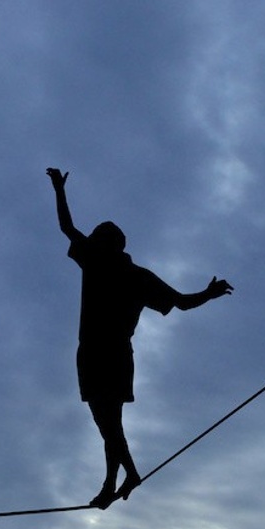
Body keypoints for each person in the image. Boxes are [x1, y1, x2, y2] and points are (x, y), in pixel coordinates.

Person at [47, 167, 233, 509]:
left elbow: (67, 228)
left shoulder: (114, 268)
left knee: (108, 423)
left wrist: (59, 189)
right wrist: (208, 294)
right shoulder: (128, 272)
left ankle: (118, 479)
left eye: (97, 237)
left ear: (109, 244)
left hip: (106, 353)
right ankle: (122, 476)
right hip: (98, 352)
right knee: (108, 423)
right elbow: (182, 302)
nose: (90, 240)